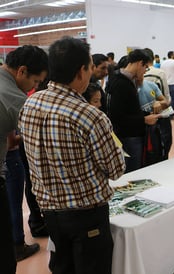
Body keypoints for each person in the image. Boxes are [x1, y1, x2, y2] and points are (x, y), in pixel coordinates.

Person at [19, 37, 126, 274]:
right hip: (86, 215)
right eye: (90, 67)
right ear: (81, 72)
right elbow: (116, 170)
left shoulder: (31, 103)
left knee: (62, 267)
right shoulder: (90, 116)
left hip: (50, 212)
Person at [0, 45, 48, 272]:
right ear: (21, 71)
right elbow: (48, 134)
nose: (35, 87)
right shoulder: (14, 98)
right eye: (36, 82)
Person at [106, 48, 159, 172]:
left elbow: (129, 109)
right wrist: (144, 120)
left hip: (130, 135)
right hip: (128, 137)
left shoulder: (120, 78)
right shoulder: (121, 83)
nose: (145, 72)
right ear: (140, 63)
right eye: (145, 67)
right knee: (132, 172)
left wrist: (146, 114)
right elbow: (117, 116)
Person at [161, 50, 174, 118]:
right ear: (172, 55)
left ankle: (167, 113)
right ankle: (171, 114)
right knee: (173, 100)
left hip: (165, 84)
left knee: (166, 99)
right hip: (173, 83)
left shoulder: (163, 63)